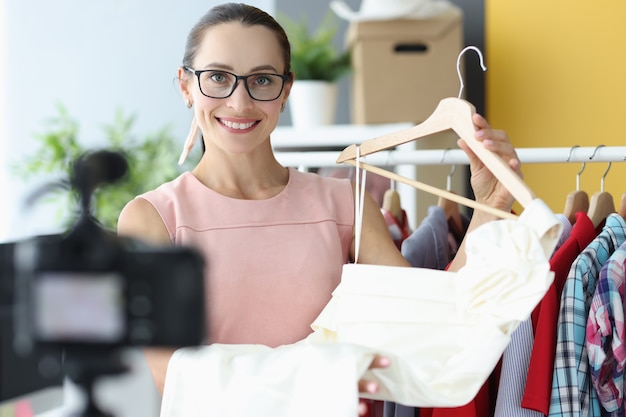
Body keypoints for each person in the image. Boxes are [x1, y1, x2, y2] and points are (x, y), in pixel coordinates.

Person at [117, 2, 522, 414]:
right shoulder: (152, 219)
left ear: (286, 90)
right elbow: (171, 374)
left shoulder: (343, 201)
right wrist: (319, 379)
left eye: (262, 79)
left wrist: (490, 206)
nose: (239, 102)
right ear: (186, 85)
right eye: (218, 77)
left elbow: (428, 325)